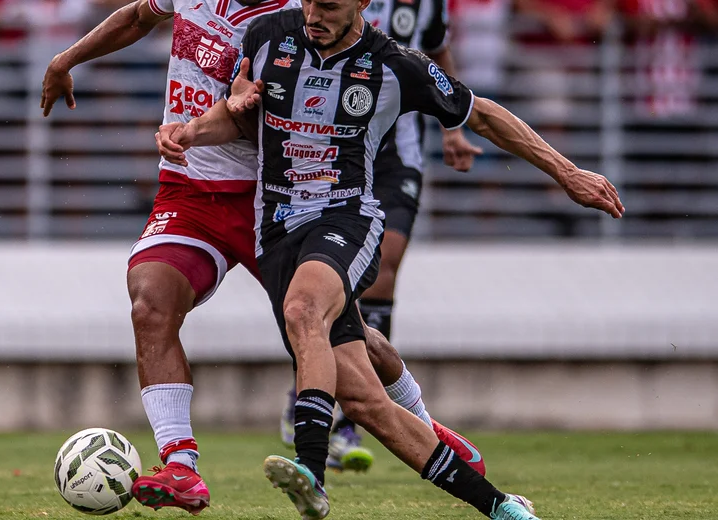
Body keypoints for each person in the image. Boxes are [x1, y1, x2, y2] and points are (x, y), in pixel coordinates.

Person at [156, 1, 624, 518]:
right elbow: (240, 112)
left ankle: (310, 469)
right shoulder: (268, 35)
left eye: (329, 6)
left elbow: (485, 115)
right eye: (309, 0)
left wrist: (569, 174)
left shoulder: (396, 65)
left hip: (345, 219)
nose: (313, 14)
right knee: (365, 404)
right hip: (276, 231)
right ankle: (503, 508)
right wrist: (191, 130)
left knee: (303, 311)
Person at [40, 0, 488, 514]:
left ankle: (424, 427)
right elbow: (139, 16)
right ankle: (181, 467)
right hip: (187, 190)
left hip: (270, 198)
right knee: (150, 303)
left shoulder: (298, 15)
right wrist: (66, 59)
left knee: (345, 341)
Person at [277, 0, 485, 474]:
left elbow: (436, 55)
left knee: (383, 270)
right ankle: (321, 396)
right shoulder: (317, 7)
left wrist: (452, 127)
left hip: (398, 156)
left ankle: (349, 414)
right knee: (326, 295)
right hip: (332, 149)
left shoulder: (425, 5)